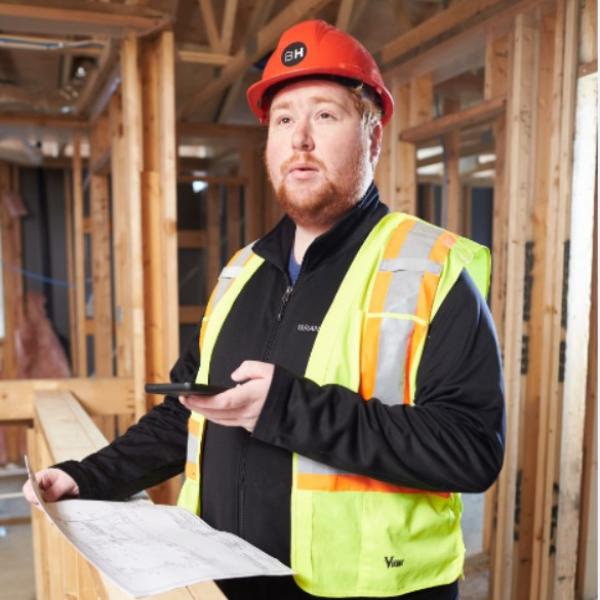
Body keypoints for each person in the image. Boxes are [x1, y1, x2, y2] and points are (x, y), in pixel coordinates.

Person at [24, 20, 505, 600]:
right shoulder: (242, 271)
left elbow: (470, 449)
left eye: (325, 115)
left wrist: (287, 407)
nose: (300, 138)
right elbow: (190, 414)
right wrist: (87, 476)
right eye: (283, 120)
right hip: (226, 583)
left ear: (373, 139)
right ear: (269, 145)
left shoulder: (429, 269)